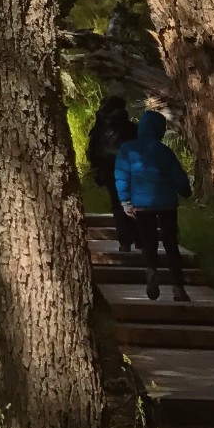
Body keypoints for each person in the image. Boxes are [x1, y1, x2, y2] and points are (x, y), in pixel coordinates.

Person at [114, 110, 192, 302]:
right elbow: (178, 176)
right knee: (171, 243)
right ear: (160, 130)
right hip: (166, 204)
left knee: (149, 242)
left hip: (142, 205)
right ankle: (178, 287)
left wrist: (125, 200)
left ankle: (151, 270)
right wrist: (185, 191)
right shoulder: (164, 151)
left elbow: (122, 176)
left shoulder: (127, 149)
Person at [86, 95, 139, 251]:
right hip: (130, 170)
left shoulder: (99, 129)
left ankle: (125, 241)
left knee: (117, 204)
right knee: (134, 202)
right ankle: (139, 237)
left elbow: (93, 151)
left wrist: (96, 169)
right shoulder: (131, 128)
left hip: (108, 170)